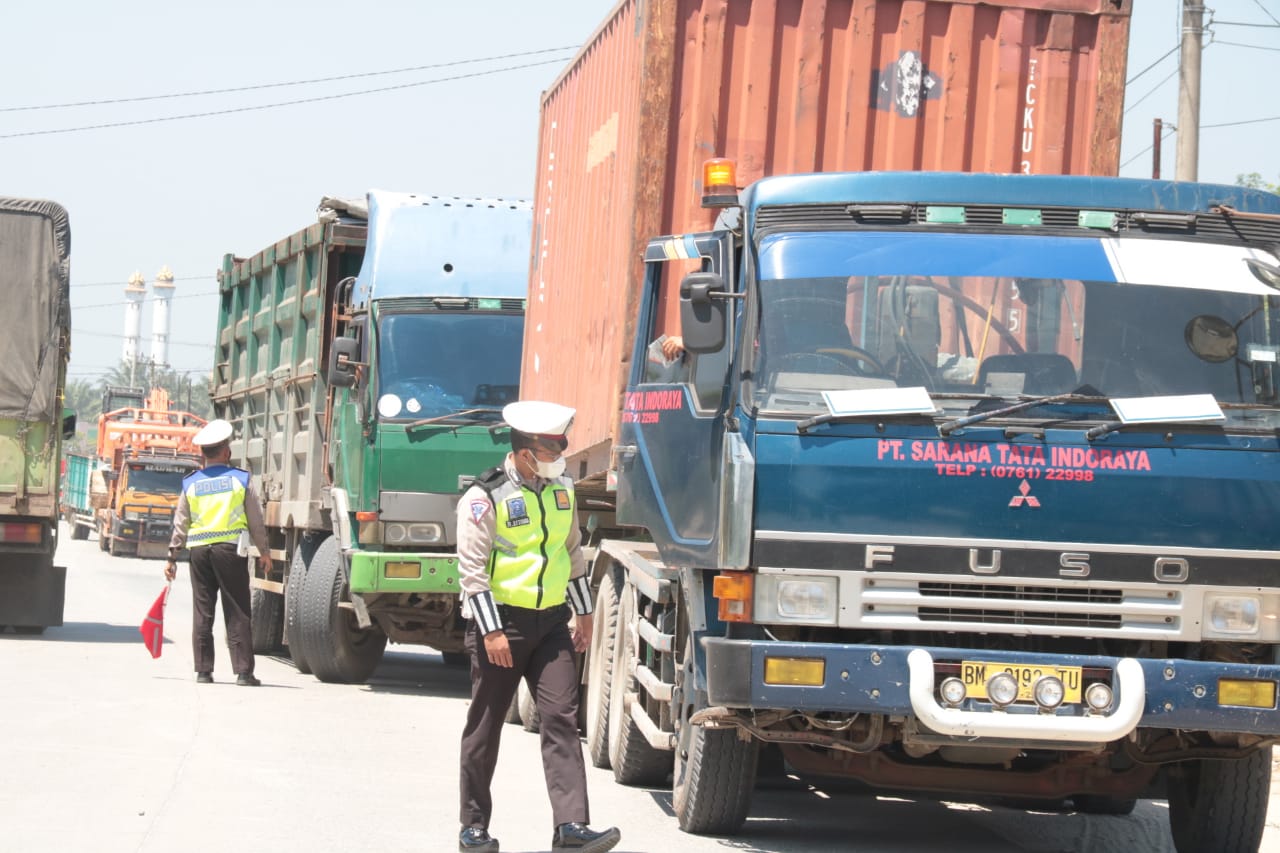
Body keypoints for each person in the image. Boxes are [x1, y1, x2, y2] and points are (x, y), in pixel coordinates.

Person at [456, 400, 620, 853]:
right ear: (527, 453)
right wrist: (492, 631)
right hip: (501, 624)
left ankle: (571, 827)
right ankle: (473, 828)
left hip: (551, 624)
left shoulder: (562, 489)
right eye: (553, 449)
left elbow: (572, 552)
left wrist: (584, 612)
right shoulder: (484, 496)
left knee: (561, 718)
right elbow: (472, 572)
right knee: (485, 725)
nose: (560, 456)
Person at [164, 419, 272, 687]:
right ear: (226, 451)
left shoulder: (191, 483)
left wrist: (172, 557)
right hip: (229, 551)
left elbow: (181, 523)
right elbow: (255, 520)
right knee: (237, 610)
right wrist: (264, 552)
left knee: (203, 610)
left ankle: (203, 671)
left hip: (199, 553)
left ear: (203, 453)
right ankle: (244, 673)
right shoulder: (240, 479)